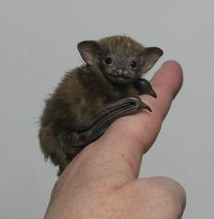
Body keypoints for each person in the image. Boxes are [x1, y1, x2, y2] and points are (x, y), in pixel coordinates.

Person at [44, 61, 186, 219]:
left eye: (132, 64)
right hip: (65, 136)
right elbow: (81, 118)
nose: (121, 71)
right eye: (110, 62)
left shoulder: (121, 86)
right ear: (93, 57)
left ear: (144, 64)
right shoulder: (87, 84)